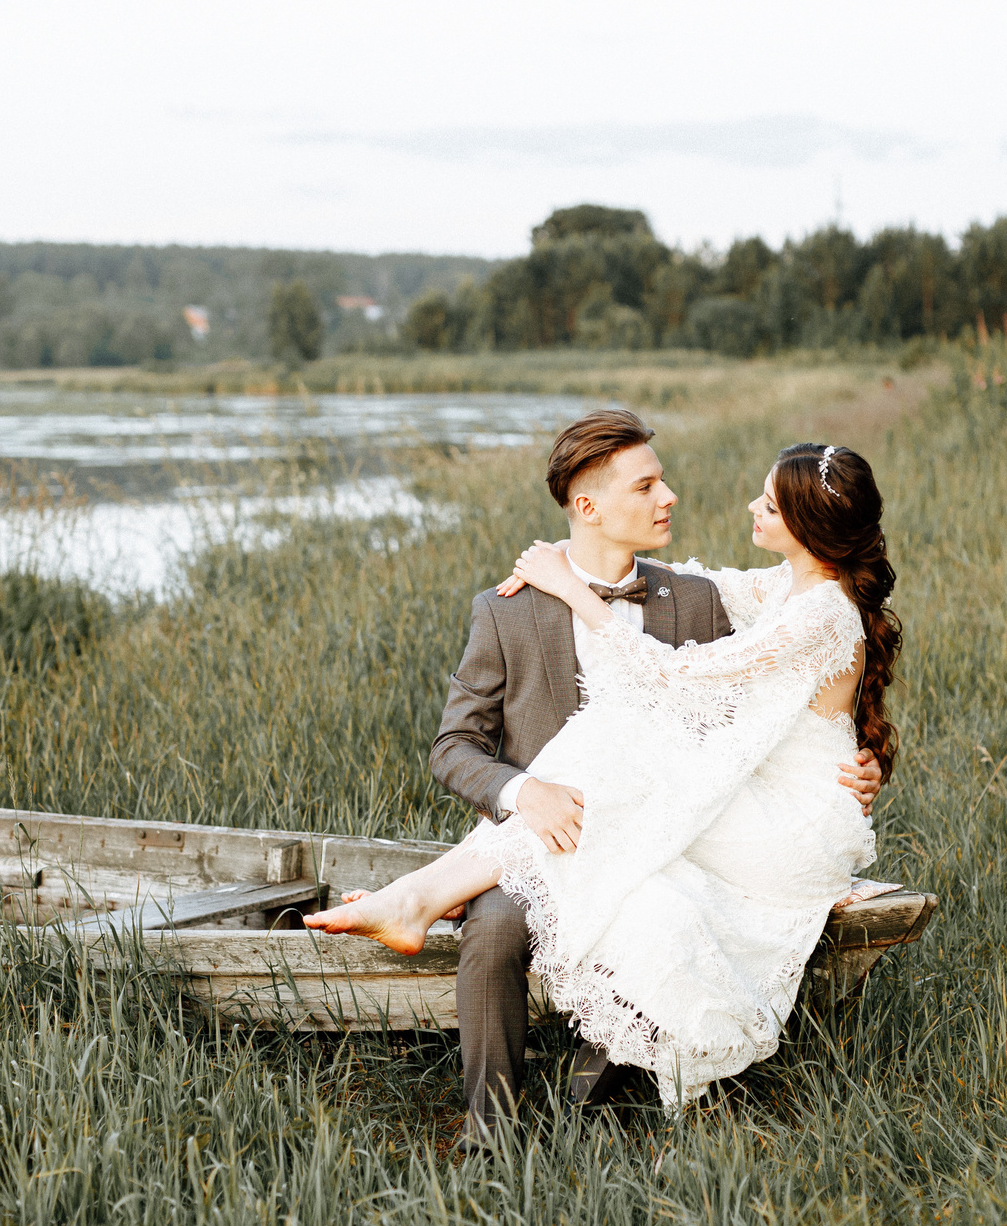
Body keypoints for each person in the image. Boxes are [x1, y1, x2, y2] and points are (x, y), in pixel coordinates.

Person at [308, 435, 902, 1118]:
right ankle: (480, 1099)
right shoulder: (784, 585)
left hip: (790, 829)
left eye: (765, 502)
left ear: (807, 527)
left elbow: (677, 677)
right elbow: (454, 746)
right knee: (615, 782)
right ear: (590, 506)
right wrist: (573, 573)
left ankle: (419, 898)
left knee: (620, 749)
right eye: (647, 486)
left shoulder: (812, 610)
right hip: (746, 803)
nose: (744, 505)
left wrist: (572, 589)